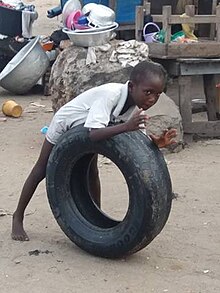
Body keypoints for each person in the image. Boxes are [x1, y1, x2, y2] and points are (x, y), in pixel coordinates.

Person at [11, 60, 177, 241]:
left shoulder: (137, 107)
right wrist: (127, 126)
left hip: (91, 127)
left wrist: (156, 143)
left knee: (92, 172)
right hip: (67, 125)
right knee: (41, 169)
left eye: (158, 94)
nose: (152, 99)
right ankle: (17, 216)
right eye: (148, 92)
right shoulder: (110, 95)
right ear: (131, 87)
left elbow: (137, 144)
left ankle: (93, 219)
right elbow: (94, 134)